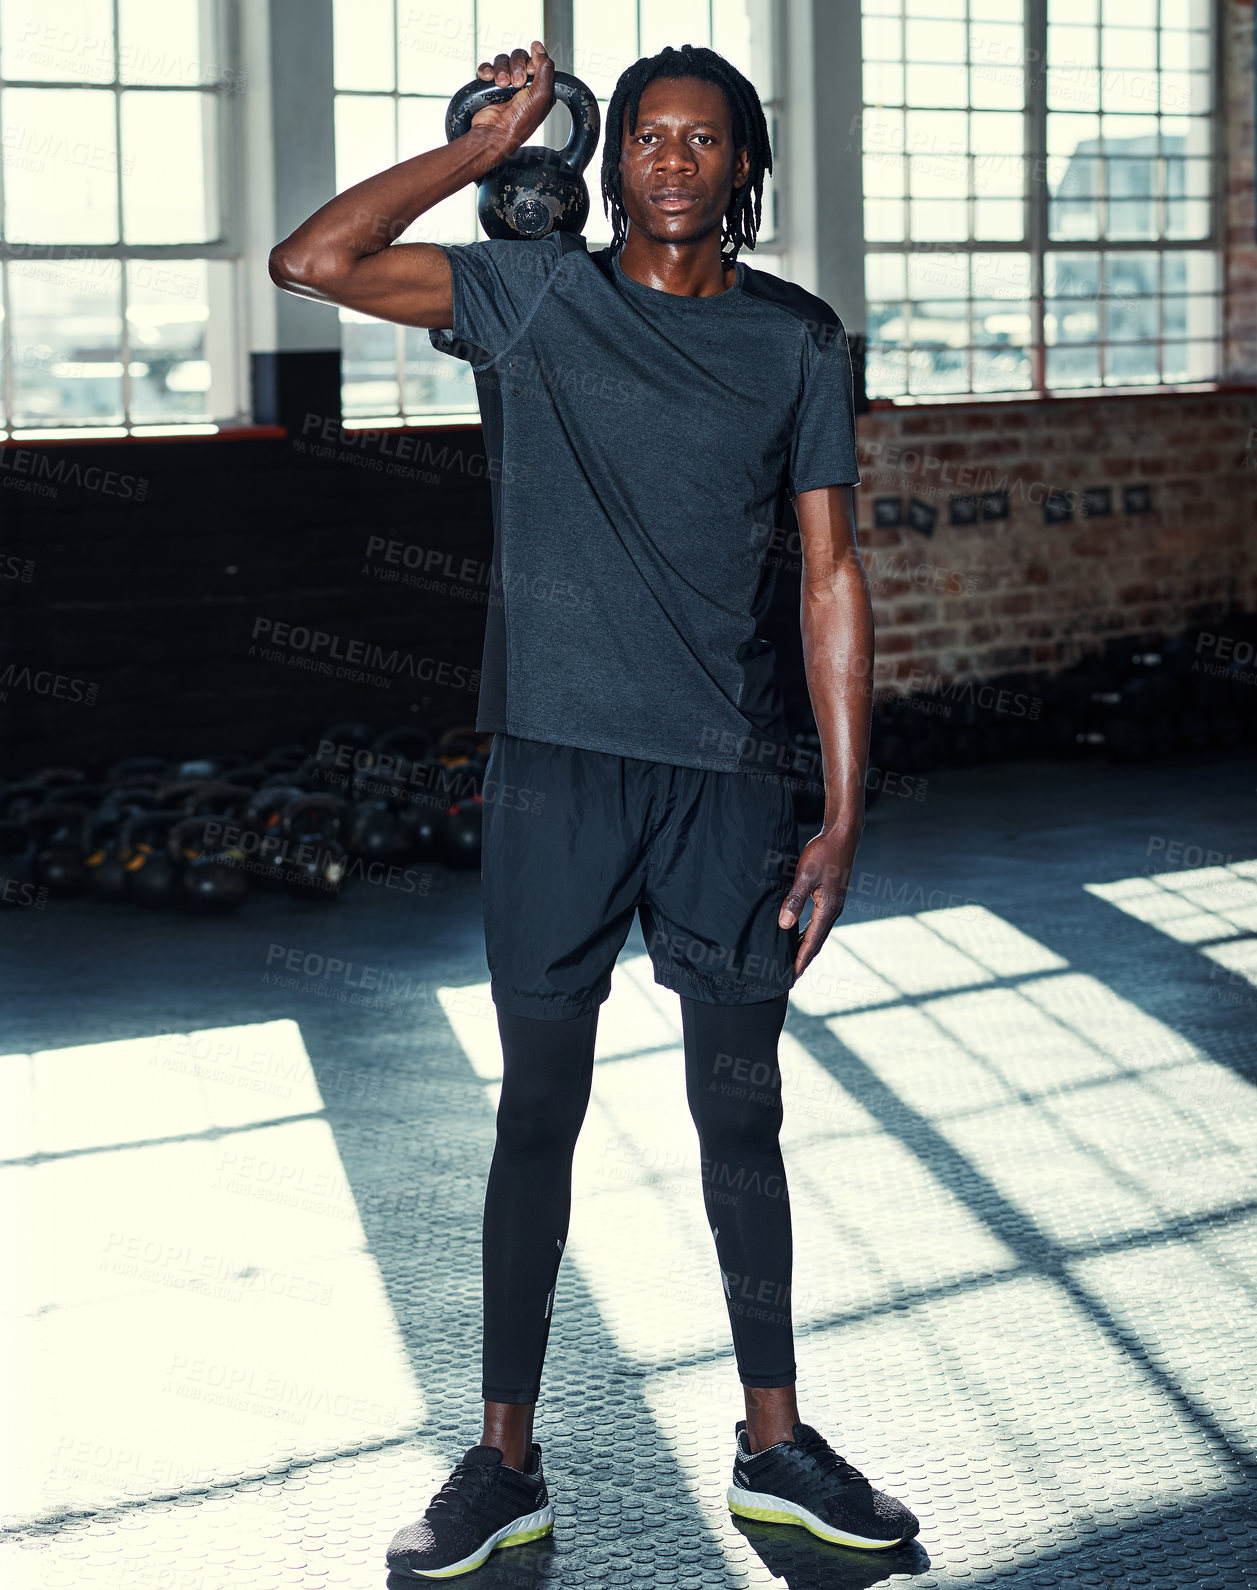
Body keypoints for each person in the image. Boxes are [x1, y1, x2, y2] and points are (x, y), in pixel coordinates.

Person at [270, 37, 919, 1579]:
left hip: (730, 780)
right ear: (609, 158)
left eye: (704, 140)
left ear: (744, 171)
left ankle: (775, 1446)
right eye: (645, 137)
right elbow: (314, 260)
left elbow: (830, 576)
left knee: (739, 1112)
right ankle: (503, 1462)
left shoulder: (797, 343)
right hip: (556, 766)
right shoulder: (531, 294)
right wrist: (484, 149)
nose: (672, 161)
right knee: (535, 1118)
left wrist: (840, 812)